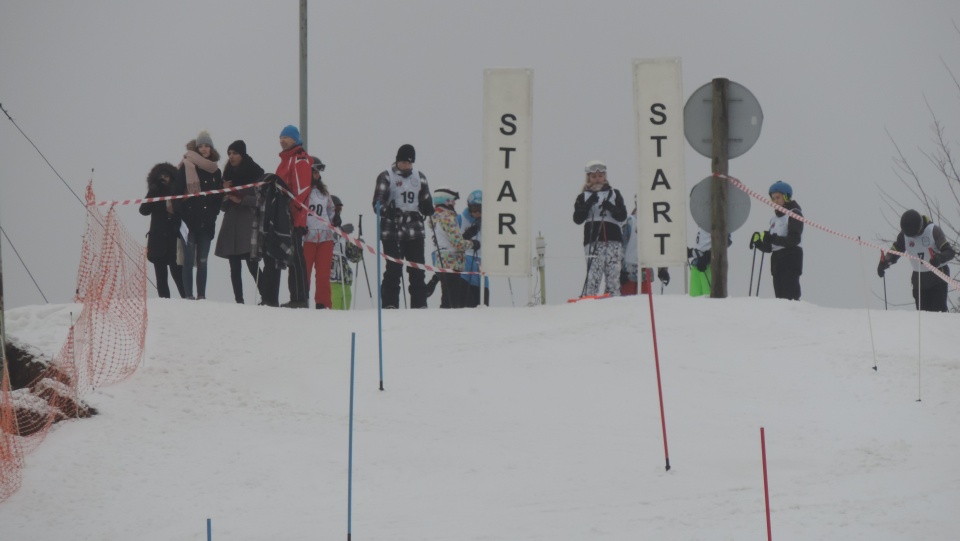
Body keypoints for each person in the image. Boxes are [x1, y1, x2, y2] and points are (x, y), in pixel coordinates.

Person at [372, 144, 435, 308]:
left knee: (417, 270)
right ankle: (390, 305)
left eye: (409, 163)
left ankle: (419, 305)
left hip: (415, 230)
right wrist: (388, 211)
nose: (406, 166)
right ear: (397, 161)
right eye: (403, 162)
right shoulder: (386, 176)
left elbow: (425, 198)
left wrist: (428, 207)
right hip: (392, 230)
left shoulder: (419, 177)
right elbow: (377, 204)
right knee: (394, 269)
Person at [174, 130, 223, 300]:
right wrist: (180, 216)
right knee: (188, 260)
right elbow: (176, 193)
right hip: (188, 222)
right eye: (200, 146)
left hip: (207, 223)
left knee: (203, 261)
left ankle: (201, 295)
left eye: (206, 146)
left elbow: (218, 196)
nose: (203, 149)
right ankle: (188, 295)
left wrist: (214, 213)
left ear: (211, 148)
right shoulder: (187, 165)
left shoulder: (216, 171)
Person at [214, 140, 265, 304]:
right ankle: (239, 301)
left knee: (252, 263)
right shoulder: (226, 175)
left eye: (235, 153)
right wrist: (224, 193)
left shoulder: (256, 172)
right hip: (230, 223)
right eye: (229, 154)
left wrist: (241, 199)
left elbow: (260, 200)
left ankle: (267, 296)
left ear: (242, 154)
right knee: (234, 266)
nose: (231, 157)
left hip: (247, 223)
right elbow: (221, 205)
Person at [877, 209, 955, 312]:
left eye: (915, 234)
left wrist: (939, 259)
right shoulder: (904, 235)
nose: (914, 237)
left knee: (938, 313)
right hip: (919, 281)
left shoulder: (933, 231)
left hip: (938, 278)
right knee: (923, 317)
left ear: (920, 227)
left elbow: (949, 252)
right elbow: (896, 250)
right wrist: (885, 262)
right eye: (911, 236)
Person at [573, 160, 628, 297]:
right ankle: (590, 301)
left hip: (613, 240)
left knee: (613, 277)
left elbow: (622, 216)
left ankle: (613, 300)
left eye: (600, 176)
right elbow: (577, 219)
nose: (597, 179)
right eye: (594, 177)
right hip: (593, 241)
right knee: (593, 276)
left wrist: (609, 206)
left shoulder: (614, 194)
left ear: (604, 177)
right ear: (589, 178)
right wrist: (589, 202)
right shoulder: (582, 197)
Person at [275, 125, 313, 308]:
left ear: (295, 139)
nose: (282, 140)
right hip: (285, 214)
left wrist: (295, 210)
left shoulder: (299, 159)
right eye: (280, 137)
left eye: (286, 137)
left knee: (297, 257)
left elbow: (303, 187)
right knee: (292, 256)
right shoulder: (285, 160)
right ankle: (296, 296)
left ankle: (300, 298)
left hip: (294, 216)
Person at [140, 163, 186, 299]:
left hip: (173, 237)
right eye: (160, 177)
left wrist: (174, 212)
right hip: (157, 239)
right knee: (160, 275)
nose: (164, 179)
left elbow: (184, 213)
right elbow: (143, 211)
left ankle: (187, 298)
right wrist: (152, 191)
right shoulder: (154, 193)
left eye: (166, 176)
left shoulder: (177, 193)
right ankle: (164, 302)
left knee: (177, 272)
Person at [751, 180, 803, 300]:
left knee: (790, 297)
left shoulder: (794, 213)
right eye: (773, 198)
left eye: (778, 197)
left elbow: (794, 239)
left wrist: (772, 238)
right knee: (779, 297)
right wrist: (759, 243)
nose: (775, 201)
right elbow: (771, 247)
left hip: (790, 258)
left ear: (786, 197)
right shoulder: (774, 219)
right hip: (777, 260)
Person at [428, 187, 476, 308]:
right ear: (446, 201)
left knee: (446, 297)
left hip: (441, 260)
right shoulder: (448, 217)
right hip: (452, 261)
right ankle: (449, 323)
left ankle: (445, 321)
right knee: (452, 300)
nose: (454, 203)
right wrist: (473, 244)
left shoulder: (436, 217)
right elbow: (457, 243)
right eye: (453, 200)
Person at [252, 173, 294, 307]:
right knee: (272, 265)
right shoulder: (273, 193)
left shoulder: (275, 194)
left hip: (272, 232)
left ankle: (269, 298)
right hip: (271, 232)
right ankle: (269, 297)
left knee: (272, 265)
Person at [303, 157, 339, 309]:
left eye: (318, 173)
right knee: (305, 273)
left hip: (325, 237)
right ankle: (302, 300)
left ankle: (323, 304)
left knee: (323, 274)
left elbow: (330, 211)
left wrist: (336, 217)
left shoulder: (324, 194)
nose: (317, 175)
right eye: (314, 172)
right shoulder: (302, 191)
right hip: (307, 237)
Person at [620, 198, 669, 295]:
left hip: (645, 272)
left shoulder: (654, 223)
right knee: (627, 305)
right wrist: (620, 270)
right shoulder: (630, 221)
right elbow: (621, 247)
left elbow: (659, 247)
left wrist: (662, 269)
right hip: (628, 273)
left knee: (644, 305)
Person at [330, 195, 363, 310]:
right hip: (332, 282)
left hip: (346, 282)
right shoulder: (324, 228)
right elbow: (328, 243)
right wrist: (340, 231)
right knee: (334, 316)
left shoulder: (343, 235)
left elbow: (354, 257)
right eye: (335, 209)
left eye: (339, 210)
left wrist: (358, 248)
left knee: (344, 316)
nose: (338, 213)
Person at [459, 189, 489, 307]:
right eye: (474, 209)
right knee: (466, 305)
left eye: (480, 209)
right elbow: (455, 240)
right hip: (466, 263)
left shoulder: (489, 222)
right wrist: (467, 235)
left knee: (483, 304)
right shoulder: (461, 219)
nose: (477, 213)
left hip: (482, 265)